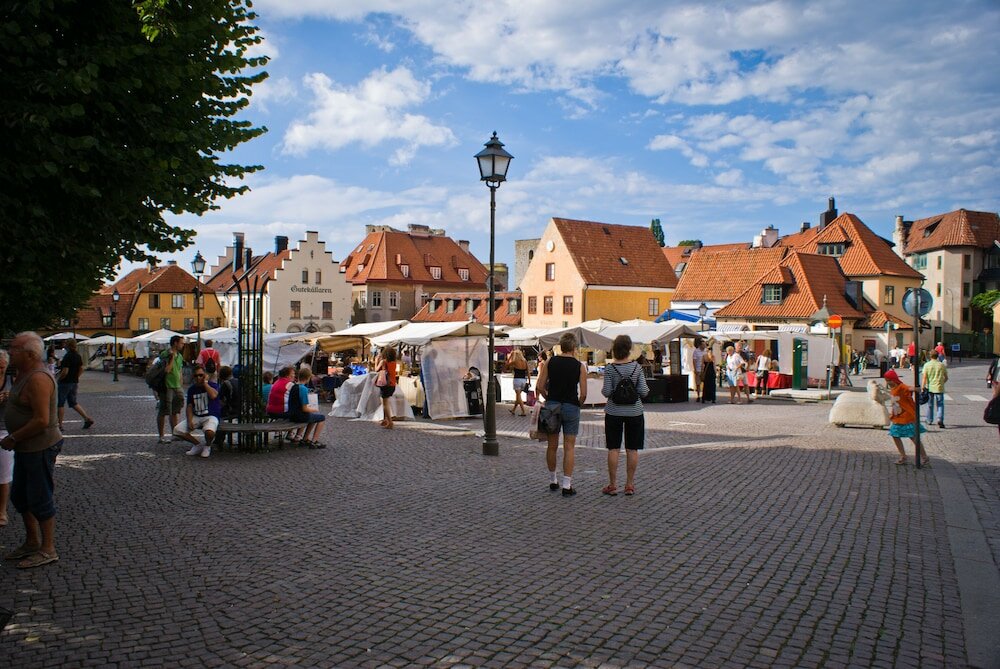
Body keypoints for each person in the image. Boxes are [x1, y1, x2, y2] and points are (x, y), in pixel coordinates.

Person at [1, 332, 63, 568]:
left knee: (39, 497)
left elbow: (41, 420)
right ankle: (32, 541)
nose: (10, 352)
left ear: (29, 354)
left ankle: (48, 548)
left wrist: (13, 437)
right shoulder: (23, 373)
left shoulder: (38, 378)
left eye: (14, 349)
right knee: (20, 496)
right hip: (26, 447)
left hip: (40, 446)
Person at [536, 332, 587, 496]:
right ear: (573, 347)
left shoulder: (550, 361)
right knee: (569, 447)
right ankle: (567, 484)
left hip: (553, 405)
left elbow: (539, 385)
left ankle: (553, 480)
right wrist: (578, 403)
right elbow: (584, 394)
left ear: (561, 346)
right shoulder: (579, 366)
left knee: (552, 446)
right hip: (571, 406)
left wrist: (548, 397)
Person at [601, 335, 649, 496]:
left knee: (613, 448)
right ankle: (629, 484)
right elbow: (643, 391)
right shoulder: (636, 368)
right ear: (629, 349)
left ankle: (612, 484)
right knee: (632, 448)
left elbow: (606, 392)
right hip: (635, 412)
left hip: (614, 411)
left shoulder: (609, 368)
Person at [173, 365, 221, 457]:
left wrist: (205, 383)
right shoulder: (192, 389)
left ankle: (208, 446)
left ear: (205, 375)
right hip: (197, 416)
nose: (198, 378)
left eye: (201, 375)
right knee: (177, 430)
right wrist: (190, 419)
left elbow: (213, 396)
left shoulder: (212, 385)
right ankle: (197, 445)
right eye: (196, 376)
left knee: (210, 432)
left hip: (211, 416)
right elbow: (189, 406)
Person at [883, 369, 928, 466]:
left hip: (906, 416)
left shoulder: (900, 387)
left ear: (893, 379)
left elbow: (909, 388)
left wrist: (916, 389)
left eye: (888, 380)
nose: (887, 382)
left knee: (913, 437)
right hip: (898, 417)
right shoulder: (893, 388)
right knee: (896, 435)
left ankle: (923, 456)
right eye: (886, 380)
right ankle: (904, 456)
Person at [56, 338, 95, 431]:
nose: (64, 345)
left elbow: (65, 371)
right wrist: (76, 377)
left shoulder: (67, 356)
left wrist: (58, 379)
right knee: (73, 402)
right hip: (74, 382)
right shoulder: (77, 356)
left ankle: (60, 425)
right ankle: (87, 418)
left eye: (65, 344)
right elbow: (81, 368)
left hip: (65, 382)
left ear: (68, 345)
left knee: (60, 403)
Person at [156, 335, 186, 444]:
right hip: (166, 386)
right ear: (175, 343)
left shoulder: (180, 356)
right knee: (163, 411)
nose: (183, 345)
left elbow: (180, 371)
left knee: (175, 411)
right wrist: (172, 357)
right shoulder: (165, 354)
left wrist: (181, 384)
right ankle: (161, 436)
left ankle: (175, 434)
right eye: (181, 343)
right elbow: (167, 370)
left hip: (177, 386)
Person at [291, 367, 326, 448]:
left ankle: (305, 438)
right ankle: (314, 441)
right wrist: (314, 409)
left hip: (292, 414)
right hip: (299, 416)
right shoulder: (303, 389)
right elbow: (304, 408)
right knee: (321, 418)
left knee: (313, 417)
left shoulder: (294, 386)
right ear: (308, 378)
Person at [0, 349, 12, 528]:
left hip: (5, 430)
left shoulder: (12, 381)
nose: (0, 370)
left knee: (3, 474)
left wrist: (12, 398)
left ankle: (2, 510)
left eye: (2, 367)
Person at [921, 351, 948, 429]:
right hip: (939, 387)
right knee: (940, 404)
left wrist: (923, 387)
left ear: (930, 356)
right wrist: (942, 382)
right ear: (937, 356)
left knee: (930, 404)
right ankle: (940, 419)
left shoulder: (927, 365)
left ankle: (929, 419)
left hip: (930, 387)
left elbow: (924, 377)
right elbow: (946, 377)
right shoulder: (941, 365)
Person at [373, 347, 398, 429]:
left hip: (385, 384)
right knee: (386, 402)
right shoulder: (394, 362)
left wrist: (376, 362)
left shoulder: (383, 361)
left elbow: (376, 370)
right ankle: (385, 420)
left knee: (385, 404)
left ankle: (390, 422)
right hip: (392, 384)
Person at [507, 349, 530, 416]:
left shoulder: (515, 361)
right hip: (524, 380)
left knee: (519, 397)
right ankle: (513, 410)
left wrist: (510, 357)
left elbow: (506, 365)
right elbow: (528, 372)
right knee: (518, 396)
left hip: (517, 379)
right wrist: (529, 380)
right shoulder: (525, 361)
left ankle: (523, 411)